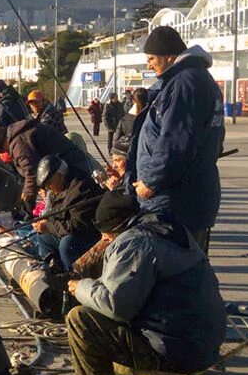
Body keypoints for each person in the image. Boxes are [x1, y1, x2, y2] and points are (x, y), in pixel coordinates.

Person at [64, 192, 226, 375]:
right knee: (123, 315)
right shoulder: (169, 229)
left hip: (177, 351)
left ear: (114, 230)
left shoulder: (134, 243)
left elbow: (115, 305)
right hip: (205, 343)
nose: (105, 240)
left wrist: (81, 287)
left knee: (81, 319)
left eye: (106, 236)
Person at [124, 27, 224, 251]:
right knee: (190, 267)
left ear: (168, 56)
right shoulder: (195, 79)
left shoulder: (184, 84)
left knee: (177, 270)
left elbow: (176, 142)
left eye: (151, 59)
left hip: (176, 201)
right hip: (189, 196)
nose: (149, 65)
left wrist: (151, 182)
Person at [0, 119, 94, 211]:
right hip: (69, 161)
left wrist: (29, 195)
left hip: (68, 166)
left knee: (78, 199)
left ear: (4, 144)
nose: (8, 152)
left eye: (5, 150)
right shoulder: (21, 130)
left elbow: (31, 171)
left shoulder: (19, 144)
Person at [32, 155, 105, 271]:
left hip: (90, 233)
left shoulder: (80, 188)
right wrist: (44, 222)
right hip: (72, 230)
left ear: (60, 176)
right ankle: (52, 269)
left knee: (67, 245)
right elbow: (56, 214)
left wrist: (47, 226)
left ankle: (72, 276)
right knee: (43, 236)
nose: (48, 188)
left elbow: (76, 225)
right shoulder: (61, 186)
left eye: (49, 183)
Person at [111, 88, 144, 155]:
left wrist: (116, 153)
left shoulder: (125, 119)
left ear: (134, 101)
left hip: (129, 151)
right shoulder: (152, 117)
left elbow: (117, 138)